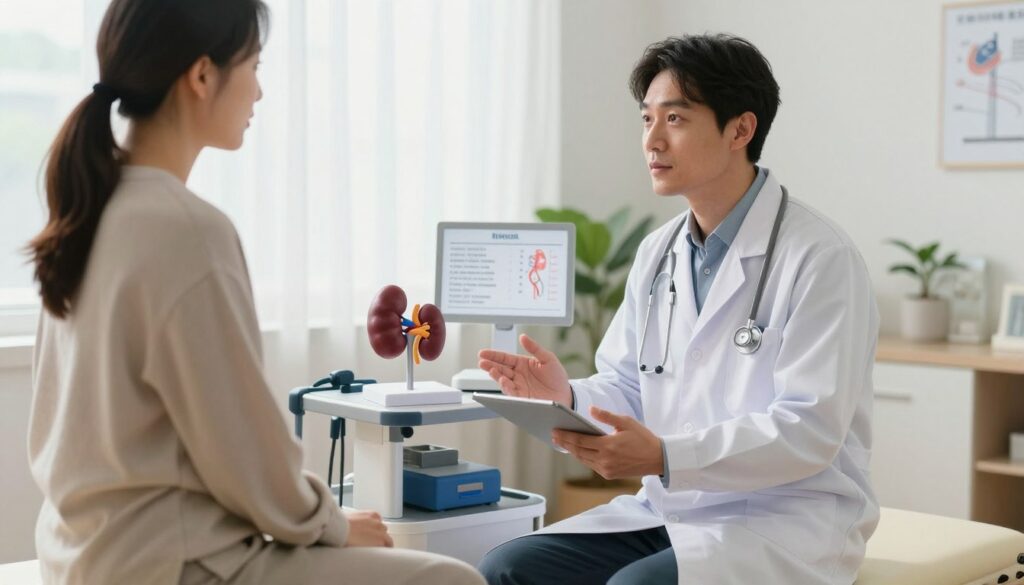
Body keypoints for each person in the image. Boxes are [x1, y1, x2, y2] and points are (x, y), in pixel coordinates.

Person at [25, 1, 484, 584]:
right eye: (254, 67)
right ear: (201, 75)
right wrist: (332, 522)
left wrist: (315, 516)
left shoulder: (87, 214)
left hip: (80, 556)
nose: (260, 92)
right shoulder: (185, 229)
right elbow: (243, 452)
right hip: (170, 564)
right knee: (453, 577)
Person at [477, 34, 879, 585]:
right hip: (673, 507)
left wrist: (666, 456)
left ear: (740, 130)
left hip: (785, 518)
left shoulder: (820, 257)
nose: (652, 140)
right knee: (507, 568)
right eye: (647, 119)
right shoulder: (658, 251)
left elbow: (808, 429)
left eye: (675, 119)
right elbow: (628, 386)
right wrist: (566, 397)